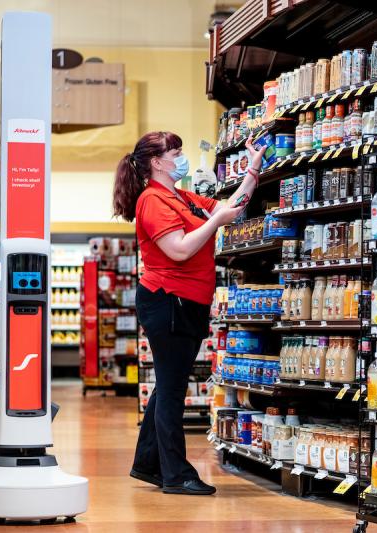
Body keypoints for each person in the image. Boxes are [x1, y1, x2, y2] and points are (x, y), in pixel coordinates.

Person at [112, 131, 265, 495]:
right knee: (172, 389)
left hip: (187, 302)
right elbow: (178, 250)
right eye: (175, 151)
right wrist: (214, 223)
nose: (181, 157)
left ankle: (147, 463)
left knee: (168, 384)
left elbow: (233, 208)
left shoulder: (178, 196)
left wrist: (253, 170)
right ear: (157, 162)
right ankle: (176, 474)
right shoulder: (151, 201)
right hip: (168, 302)